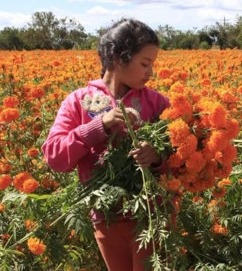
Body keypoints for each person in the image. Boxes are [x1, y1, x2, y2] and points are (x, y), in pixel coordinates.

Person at [42, 18, 170, 271]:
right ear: (116, 57)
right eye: (145, 64)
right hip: (106, 217)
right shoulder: (79, 101)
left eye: (152, 64)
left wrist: (156, 157)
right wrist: (99, 125)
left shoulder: (158, 103)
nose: (150, 72)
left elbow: (182, 158)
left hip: (153, 215)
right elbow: (55, 157)